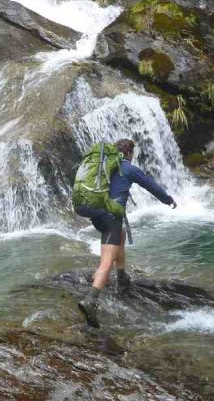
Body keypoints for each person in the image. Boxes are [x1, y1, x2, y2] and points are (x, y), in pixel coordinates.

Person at [75, 138, 176, 328]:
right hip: (111, 216)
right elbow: (150, 185)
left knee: (120, 235)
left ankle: (122, 278)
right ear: (129, 153)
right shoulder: (128, 168)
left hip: (96, 215)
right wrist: (168, 200)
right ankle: (91, 300)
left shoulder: (103, 166)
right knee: (107, 261)